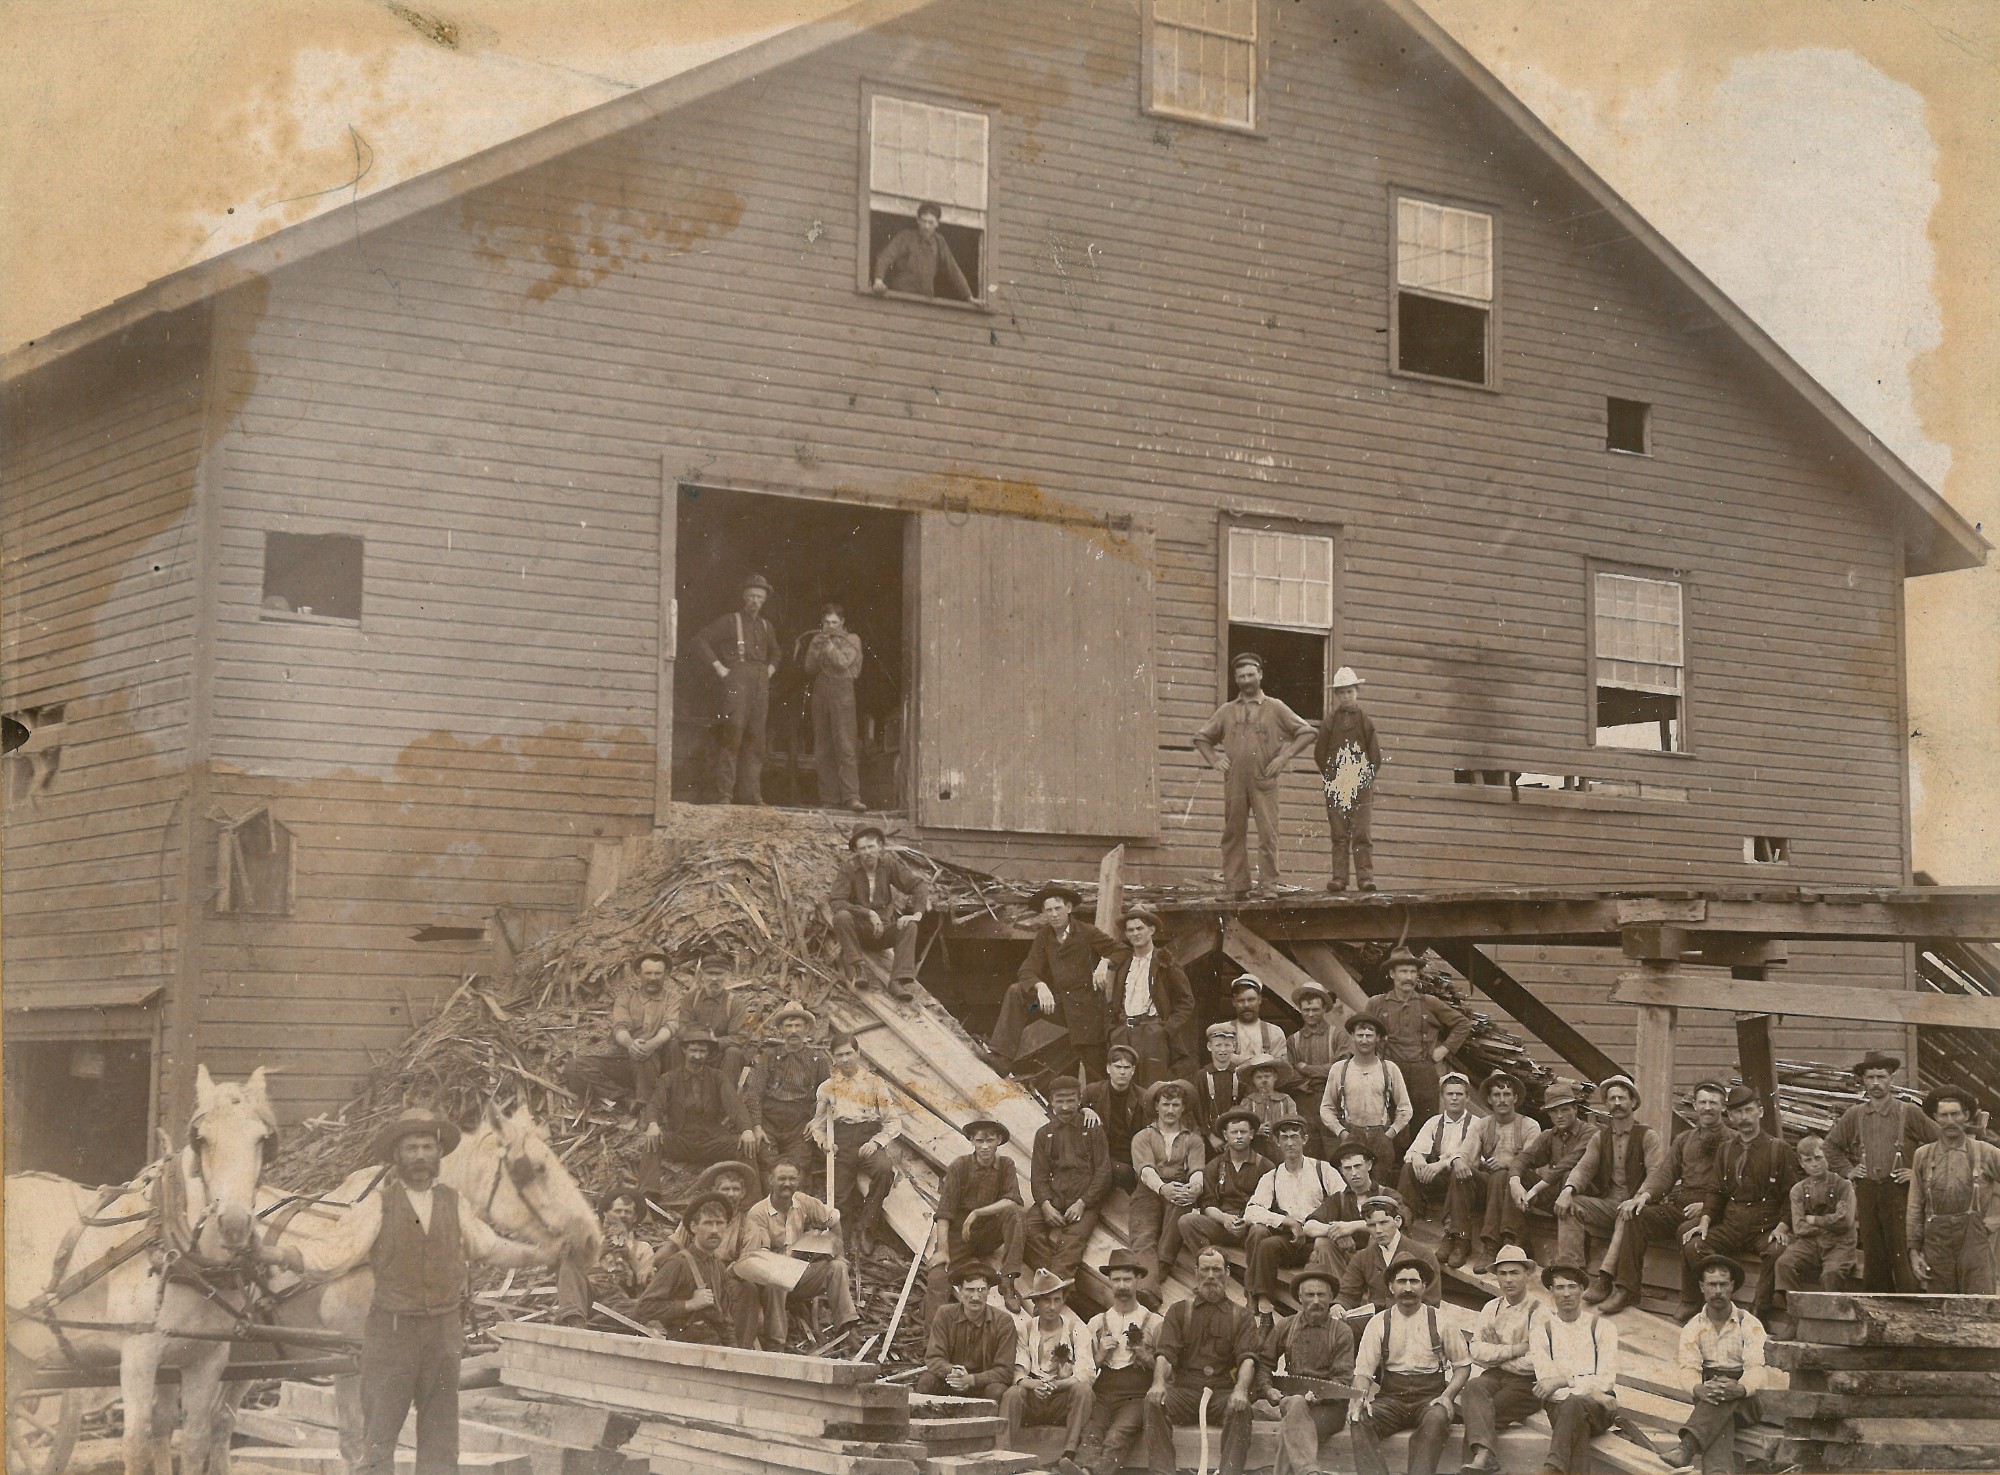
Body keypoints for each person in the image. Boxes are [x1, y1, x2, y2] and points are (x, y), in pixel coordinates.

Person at [258, 1108, 564, 1475]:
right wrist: (279, 1253)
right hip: (391, 1337)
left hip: (442, 1336)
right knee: (378, 1439)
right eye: (410, 1148)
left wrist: (540, 1254)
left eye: (426, 1147)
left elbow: (491, 1247)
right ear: (396, 1157)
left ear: (438, 1154)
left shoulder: (455, 1204)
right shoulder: (376, 1206)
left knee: (440, 1443)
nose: (420, 1155)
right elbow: (333, 1253)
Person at [1192, 651, 1317, 896]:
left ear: (1260, 674)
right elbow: (1202, 738)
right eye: (1241, 676)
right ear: (1236, 679)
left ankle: (1268, 886)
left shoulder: (1276, 707)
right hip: (1235, 780)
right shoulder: (1227, 711)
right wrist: (1215, 760)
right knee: (1233, 832)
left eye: (1251, 675)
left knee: (1267, 833)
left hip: (1264, 778)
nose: (1247, 680)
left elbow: (1307, 732)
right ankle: (1236, 885)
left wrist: (1283, 758)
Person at [1682, 1086, 1797, 1330]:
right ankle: (1722, 1307)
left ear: (1760, 1112)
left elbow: (1792, 1195)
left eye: (1749, 1111)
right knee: (1694, 1244)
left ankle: (1759, 1312)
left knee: (1777, 1250)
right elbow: (1715, 1191)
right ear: (1730, 1117)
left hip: (1764, 1226)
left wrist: (1783, 1226)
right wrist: (1704, 1222)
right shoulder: (1726, 1150)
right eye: (1738, 1113)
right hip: (1732, 1223)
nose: (1744, 1118)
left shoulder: (1778, 1149)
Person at [1824, 1049, 1936, 1293]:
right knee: (1875, 1260)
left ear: (1892, 1079)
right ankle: (1878, 1321)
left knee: (1904, 1259)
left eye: (1882, 1077)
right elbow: (1830, 1147)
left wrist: (1916, 1174)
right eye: (1871, 1077)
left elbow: (1939, 1145)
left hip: (1901, 1194)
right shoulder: (1855, 1115)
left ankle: (1911, 1318)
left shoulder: (1909, 1112)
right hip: (1868, 1193)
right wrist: (1849, 1170)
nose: (1876, 1083)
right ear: (1863, 1080)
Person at [1347, 1256, 1470, 1475]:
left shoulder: (1441, 1320)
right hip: (1391, 1400)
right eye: (1401, 1281)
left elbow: (1462, 1366)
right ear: (1391, 1287)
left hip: (1429, 1397)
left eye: (1414, 1281)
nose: (1407, 1288)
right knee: (1360, 1417)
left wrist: (1447, 1396)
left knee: (1437, 1418)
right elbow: (1363, 1372)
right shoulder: (1378, 1323)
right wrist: (1359, 1398)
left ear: (1424, 1286)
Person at [1555, 1074, 1665, 1315]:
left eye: (1622, 1098)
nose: (1616, 1102)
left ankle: (1605, 1279)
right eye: (1612, 1098)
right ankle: (1572, 1272)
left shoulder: (1648, 1136)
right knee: (1570, 1203)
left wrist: (1639, 1197)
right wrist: (1567, 1190)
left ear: (1633, 1102)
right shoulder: (1600, 1137)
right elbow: (1584, 1168)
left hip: (1638, 1204)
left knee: (1628, 1214)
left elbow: (1656, 1174)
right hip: (1609, 1204)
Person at [1143, 1247, 1260, 1475]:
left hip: (1222, 1395)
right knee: (1153, 1403)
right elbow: (1165, 1353)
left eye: (1217, 1269)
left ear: (1227, 1272)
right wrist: (1158, 1384)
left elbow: (1248, 1359)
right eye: (1205, 1269)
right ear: (1196, 1271)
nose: (1210, 1276)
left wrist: (1240, 1390)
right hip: (1185, 1392)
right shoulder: (1179, 1311)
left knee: (1241, 1409)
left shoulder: (1242, 1316)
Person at [990, 884, 1119, 1077]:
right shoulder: (1044, 936)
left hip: (1086, 1011)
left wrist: (1105, 962)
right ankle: (1001, 1059)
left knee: (1095, 1068)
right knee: (1016, 992)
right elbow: (1027, 968)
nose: (1054, 914)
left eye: (1057, 908)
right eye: (1048, 910)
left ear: (1069, 908)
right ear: (1043, 913)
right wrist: (1040, 985)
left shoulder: (1087, 932)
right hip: (1057, 1005)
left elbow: (1122, 950)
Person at [735, 1159, 858, 1349]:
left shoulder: (802, 1202)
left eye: (792, 1179)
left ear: (798, 1180)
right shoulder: (758, 1213)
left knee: (837, 1267)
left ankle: (846, 1327)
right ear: (770, 1180)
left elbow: (833, 1218)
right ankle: (776, 1342)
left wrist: (839, 1253)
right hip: (768, 1279)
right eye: (782, 1178)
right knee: (776, 1279)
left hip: (799, 1274)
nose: (787, 1184)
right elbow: (761, 1259)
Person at [1666, 1256, 1772, 1473]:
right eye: (1712, 1285)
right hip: (1709, 1398)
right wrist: (1698, 1388)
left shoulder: (1748, 1323)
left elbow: (1756, 1368)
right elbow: (1688, 1368)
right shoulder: (1693, 1327)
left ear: (1732, 1286)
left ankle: (1686, 1447)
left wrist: (1740, 1388)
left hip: (1746, 1403)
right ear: (1701, 1287)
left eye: (1723, 1284)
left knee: (1722, 1394)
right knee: (1719, 1400)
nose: (1718, 1291)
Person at [1642, 1080, 1732, 1317]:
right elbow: (1666, 1174)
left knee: (1686, 1231)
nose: (1707, 1108)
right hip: (1683, 1204)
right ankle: (1625, 1287)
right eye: (1702, 1102)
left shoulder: (1733, 1141)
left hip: (1717, 1209)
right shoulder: (1684, 1140)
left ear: (1723, 1107)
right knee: (1638, 1217)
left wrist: (1706, 1206)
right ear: (1694, 1105)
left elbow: (1736, 1186)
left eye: (1713, 1102)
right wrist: (1645, 1195)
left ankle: (1690, 1300)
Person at [689, 573, 780, 805]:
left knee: (757, 739)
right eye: (751, 596)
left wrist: (770, 670)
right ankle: (725, 794)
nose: (755, 601)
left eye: (759, 597)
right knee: (733, 735)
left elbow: (777, 653)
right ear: (744, 597)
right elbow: (700, 640)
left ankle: (752, 794)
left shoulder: (766, 626)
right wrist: (719, 667)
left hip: (760, 682)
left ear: (764, 600)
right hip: (737, 681)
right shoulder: (731, 621)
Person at [811, 1031, 903, 1255]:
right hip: (841, 1142)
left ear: (858, 1053)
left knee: (883, 1170)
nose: (844, 1059)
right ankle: (839, 1244)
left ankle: (866, 1227)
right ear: (833, 1058)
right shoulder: (827, 1087)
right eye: (839, 1055)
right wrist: (824, 1142)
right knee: (839, 1194)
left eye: (849, 1054)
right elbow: (818, 1124)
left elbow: (892, 1121)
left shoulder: (875, 1084)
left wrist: (876, 1142)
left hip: (867, 1139)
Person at [1457, 1244, 1545, 1475]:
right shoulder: (1491, 1307)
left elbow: (1535, 1362)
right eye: (1502, 1273)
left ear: (1527, 1275)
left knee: (1481, 1412)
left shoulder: (1539, 1312)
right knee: (1473, 1388)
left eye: (1514, 1273)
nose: (1508, 1280)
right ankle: (1484, 1460)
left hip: (1528, 1383)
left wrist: (1495, 1353)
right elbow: (1475, 1350)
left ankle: (1482, 1459)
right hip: (1496, 1376)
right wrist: (1515, 1349)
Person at [1243, 1117, 1342, 1319]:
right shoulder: (1272, 1176)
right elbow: (1251, 1211)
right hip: (1292, 1240)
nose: (1289, 1143)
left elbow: (1344, 1200)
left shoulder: (1322, 1170)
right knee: (1266, 1244)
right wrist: (1286, 1222)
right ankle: (1263, 1301)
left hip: (1320, 1239)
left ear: (1304, 1140)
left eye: (1294, 1137)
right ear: (1277, 1142)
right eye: (1284, 1138)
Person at [1368, 947, 1472, 1137]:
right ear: (1392, 974)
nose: (1408, 977)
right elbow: (1364, 1033)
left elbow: (1462, 1024)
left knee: (1424, 1128)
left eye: (1412, 971)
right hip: (1390, 1071)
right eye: (1403, 971)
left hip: (1423, 1072)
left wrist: (1444, 1049)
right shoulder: (1377, 1004)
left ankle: (1420, 1166)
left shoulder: (1429, 1003)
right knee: (1389, 1127)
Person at [1263, 1266, 1357, 1475]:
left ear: (1331, 1297)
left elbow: (1343, 1379)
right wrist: (1268, 1389)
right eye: (1310, 1295)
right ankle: (1310, 1472)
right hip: (1293, 1401)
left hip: (1329, 1409)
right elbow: (1264, 1362)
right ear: (1299, 1297)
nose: (1316, 1300)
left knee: (1293, 1426)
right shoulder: (1286, 1326)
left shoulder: (1342, 1332)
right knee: (1295, 1403)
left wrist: (1319, 1396)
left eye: (1321, 1294)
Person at [1907, 1087, 2000, 1294]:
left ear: (1966, 1116)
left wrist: (1996, 1221)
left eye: (1955, 1114)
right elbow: (1914, 1206)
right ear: (1935, 1118)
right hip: (1936, 1247)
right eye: (1944, 1115)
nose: (1950, 1121)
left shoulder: (1985, 1153)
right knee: (1941, 1312)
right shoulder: (1923, 1156)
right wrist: (1914, 1252)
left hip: (1974, 1246)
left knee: (1978, 1310)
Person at [1079, 1250, 1164, 1475]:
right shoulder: (1097, 1322)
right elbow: (1085, 1367)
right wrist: (1099, 1356)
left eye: (1127, 1279)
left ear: (1138, 1280)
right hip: (1104, 1392)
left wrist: (1147, 1357)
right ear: (1109, 1282)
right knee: (1091, 1431)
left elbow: (1169, 1368)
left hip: (1136, 1394)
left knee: (1119, 1434)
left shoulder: (1154, 1322)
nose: (1122, 1285)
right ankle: (1084, 1470)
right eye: (1117, 1280)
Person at [1532, 1261, 1621, 1474]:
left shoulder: (1602, 1327)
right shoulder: (1541, 1331)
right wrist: (1591, 1390)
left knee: (1572, 1406)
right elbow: (1548, 1388)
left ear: (1582, 1289)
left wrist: (1564, 1380)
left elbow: (1607, 1380)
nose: (1567, 1294)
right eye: (1560, 1288)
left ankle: (1552, 1468)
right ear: (1551, 1291)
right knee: (1573, 1412)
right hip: (1564, 1408)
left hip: (1600, 1410)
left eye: (1572, 1286)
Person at [1003, 1268, 1096, 1466]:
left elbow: (1086, 1372)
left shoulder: (1076, 1329)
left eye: (1057, 1300)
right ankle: (1002, 1454)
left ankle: (1069, 1455)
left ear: (1063, 1300)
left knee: (1084, 1390)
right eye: (1046, 1300)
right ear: (1036, 1302)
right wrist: (1034, 1386)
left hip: (1062, 1398)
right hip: (1035, 1399)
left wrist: (1059, 1385)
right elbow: (1018, 1372)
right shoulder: (1026, 1329)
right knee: (1012, 1393)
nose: (1052, 1307)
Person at [1452, 1070, 1541, 1273]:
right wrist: (1458, 1160)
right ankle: (1459, 1237)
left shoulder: (1529, 1126)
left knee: (1502, 1175)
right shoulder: (1482, 1126)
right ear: (1490, 1100)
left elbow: (1531, 1159)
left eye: (1507, 1094)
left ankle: (1492, 1244)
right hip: (1493, 1187)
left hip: (1523, 1187)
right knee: (1460, 1173)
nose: (1502, 1100)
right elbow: (1465, 1150)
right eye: (1497, 1095)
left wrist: (1507, 1162)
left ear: (1515, 1098)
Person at [641, 1026, 756, 1184]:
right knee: (651, 1142)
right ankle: (649, 1194)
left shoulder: (718, 1078)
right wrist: (653, 1124)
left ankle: (751, 1199)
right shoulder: (669, 1079)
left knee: (747, 1145)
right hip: (681, 1141)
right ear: (684, 1050)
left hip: (712, 1142)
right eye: (693, 1050)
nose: (697, 1056)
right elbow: (655, 1104)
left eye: (702, 1051)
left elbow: (735, 1106)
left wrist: (747, 1130)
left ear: (708, 1053)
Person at [827, 824, 930, 1000]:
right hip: (858, 930)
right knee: (841, 917)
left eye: (871, 847)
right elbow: (836, 901)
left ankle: (897, 981)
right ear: (856, 851)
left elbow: (918, 885)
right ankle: (858, 968)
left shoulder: (889, 864)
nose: (867, 852)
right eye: (862, 848)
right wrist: (868, 913)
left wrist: (916, 914)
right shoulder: (849, 869)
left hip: (883, 930)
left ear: (880, 847)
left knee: (910, 926)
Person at [634, 1191, 751, 1345]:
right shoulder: (678, 1264)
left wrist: (733, 1353)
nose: (715, 1230)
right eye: (708, 1223)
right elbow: (644, 1307)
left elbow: (724, 1319)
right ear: (694, 1227)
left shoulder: (718, 1266)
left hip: (712, 1345)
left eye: (720, 1223)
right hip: (683, 1347)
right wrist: (689, 1304)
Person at [1026, 1073, 1113, 1279]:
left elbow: (1104, 1172)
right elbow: (1038, 1177)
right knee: (1025, 1229)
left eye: (1070, 1101)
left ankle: (1050, 1287)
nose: (1065, 1107)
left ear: (1079, 1100)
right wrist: (1046, 1205)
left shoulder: (1093, 1130)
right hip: (1054, 1196)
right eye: (1060, 1101)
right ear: (1052, 1101)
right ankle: (1051, 1277)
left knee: (1072, 1241)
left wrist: (1083, 1203)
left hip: (1084, 1198)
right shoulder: (1043, 1133)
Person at [932, 1116, 1027, 1303]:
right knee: (937, 1277)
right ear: (971, 1141)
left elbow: (1013, 1201)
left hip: (987, 1233)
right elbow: (944, 1212)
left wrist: (977, 1213)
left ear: (998, 1141)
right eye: (979, 1141)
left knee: (1017, 1215)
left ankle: (1007, 1281)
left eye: (990, 1140)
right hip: (960, 1234)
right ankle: (935, 1328)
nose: (985, 1146)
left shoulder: (1006, 1165)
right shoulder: (960, 1166)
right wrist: (943, 1250)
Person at [564, 952, 676, 1110]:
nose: (652, 978)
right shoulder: (625, 999)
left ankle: (647, 1107)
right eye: (648, 973)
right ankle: (625, 1099)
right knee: (574, 1067)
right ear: (639, 974)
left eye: (657, 973)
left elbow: (671, 1026)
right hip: (625, 1058)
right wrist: (631, 1044)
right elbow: (620, 1027)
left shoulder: (673, 999)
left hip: (657, 1060)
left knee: (646, 1055)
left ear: (666, 974)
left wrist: (651, 1044)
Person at [1100, 907, 1194, 1084]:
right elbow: (1111, 1000)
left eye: (1139, 928)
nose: (1135, 933)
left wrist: (1166, 1030)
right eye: (1130, 930)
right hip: (1123, 1032)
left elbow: (1186, 1001)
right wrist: (1112, 1031)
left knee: (1153, 1085)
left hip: (1153, 1033)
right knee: (1123, 1083)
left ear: (1151, 930)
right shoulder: (1124, 963)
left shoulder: (1165, 961)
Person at [1319, 1012, 1411, 1185]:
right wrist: (1342, 1133)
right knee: (1353, 1186)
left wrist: (1390, 1133)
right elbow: (1326, 1108)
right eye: (1360, 1035)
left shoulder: (1389, 1069)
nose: (1364, 1040)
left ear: (1377, 1038)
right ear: (1352, 1037)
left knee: (1381, 1187)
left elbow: (1405, 1108)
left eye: (1369, 1036)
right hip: (1352, 1133)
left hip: (1381, 1136)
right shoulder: (1340, 1069)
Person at [745, 1001, 829, 1186]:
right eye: (788, 1026)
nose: (793, 1031)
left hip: (799, 1127)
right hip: (770, 1124)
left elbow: (828, 1098)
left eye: (798, 1026)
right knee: (767, 1164)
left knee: (799, 1167)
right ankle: (770, 1212)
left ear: (806, 1029)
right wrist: (757, 1126)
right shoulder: (769, 1056)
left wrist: (816, 1121)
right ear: (780, 1030)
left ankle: (799, 1212)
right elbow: (754, 1093)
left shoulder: (819, 1060)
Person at [1129, 1078, 1204, 1283]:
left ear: (1183, 1108)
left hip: (1178, 1187)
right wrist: (1162, 1188)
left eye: (1175, 1105)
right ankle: (1146, 1286)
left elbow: (1197, 1169)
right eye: (1165, 1104)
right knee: (1144, 1237)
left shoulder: (1193, 1139)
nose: (1170, 1110)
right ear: (1156, 1106)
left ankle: (1162, 1265)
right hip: (1149, 1190)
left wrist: (1196, 1187)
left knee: (1184, 1199)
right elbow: (1145, 1170)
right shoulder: (1143, 1136)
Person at [1772, 1135, 1860, 1310]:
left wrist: (1813, 1220)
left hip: (1840, 1244)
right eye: (1808, 1160)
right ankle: (1795, 1318)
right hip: (1809, 1244)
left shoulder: (1844, 1186)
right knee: (1784, 1264)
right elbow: (1798, 1227)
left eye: (1819, 1157)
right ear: (1801, 1163)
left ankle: (1829, 1322)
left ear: (1827, 1156)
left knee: (1831, 1274)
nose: (1814, 1163)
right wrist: (1832, 1220)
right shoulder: (1798, 1190)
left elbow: (1847, 1222)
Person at [1315, 666, 1382, 892]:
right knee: (1339, 834)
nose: (1346, 696)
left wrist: (1364, 779)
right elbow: (1320, 753)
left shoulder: (1365, 721)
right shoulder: (1329, 722)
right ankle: (1340, 879)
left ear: (1357, 692)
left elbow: (1375, 756)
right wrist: (1333, 777)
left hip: (1361, 784)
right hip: (1337, 784)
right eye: (1342, 692)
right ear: (1336, 695)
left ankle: (1365, 878)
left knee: (1362, 832)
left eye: (1350, 692)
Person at [1177, 1108, 1273, 1260]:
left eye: (1243, 1132)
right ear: (1225, 1135)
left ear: (1252, 1134)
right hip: (1221, 1225)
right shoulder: (1215, 1165)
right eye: (1234, 1132)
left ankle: (1253, 1274)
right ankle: (1209, 1262)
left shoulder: (1265, 1166)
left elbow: (1270, 1207)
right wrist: (1224, 1219)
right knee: (1187, 1221)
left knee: (1260, 1232)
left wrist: (1247, 1221)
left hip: (1250, 1227)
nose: (1239, 1136)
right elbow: (1207, 1203)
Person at [554, 1185, 656, 1327]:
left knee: (646, 1310)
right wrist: (599, 1253)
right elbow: (570, 1276)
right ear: (607, 1215)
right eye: (618, 1211)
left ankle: (598, 1321)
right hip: (589, 1298)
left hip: (620, 1302)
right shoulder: (590, 1243)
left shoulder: (643, 1248)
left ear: (635, 1218)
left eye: (627, 1212)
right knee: (569, 1263)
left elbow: (649, 1283)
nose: (622, 1215)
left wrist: (629, 1255)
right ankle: (577, 1324)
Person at [1396, 1071, 1475, 1247]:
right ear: (1442, 1097)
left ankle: (1452, 1232)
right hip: (1439, 1183)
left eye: (1459, 1094)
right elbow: (1414, 1151)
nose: (1454, 1098)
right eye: (1449, 1094)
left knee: (1458, 1170)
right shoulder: (1434, 1122)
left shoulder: (1476, 1124)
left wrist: (1441, 1164)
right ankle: (1404, 1221)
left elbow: (1470, 1158)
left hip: (1464, 1183)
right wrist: (1418, 1159)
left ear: (1467, 1098)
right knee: (1408, 1168)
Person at [1509, 1081, 1592, 1245]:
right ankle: (1518, 1240)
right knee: (1515, 1175)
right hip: (1556, 1195)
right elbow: (1523, 1158)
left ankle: (1577, 1244)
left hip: (1584, 1197)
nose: (1559, 1116)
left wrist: (1535, 1189)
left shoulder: (1589, 1132)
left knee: (1569, 1175)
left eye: (1565, 1109)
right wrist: (1515, 1182)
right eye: (1554, 1111)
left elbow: (1569, 1163)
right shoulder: (1549, 1135)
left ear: (1575, 1109)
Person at [920, 1263, 1017, 1399]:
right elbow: (933, 1358)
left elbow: (1005, 1371)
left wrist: (972, 1380)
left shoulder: (1003, 1321)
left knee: (997, 1390)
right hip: (950, 1381)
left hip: (982, 1387)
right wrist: (953, 1371)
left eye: (981, 1290)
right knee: (927, 1381)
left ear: (989, 1290)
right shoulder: (944, 1314)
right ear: (960, 1290)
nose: (976, 1297)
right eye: (970, 1290)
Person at [802, 602, 866, 811]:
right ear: (822, 622)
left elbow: (842, 663)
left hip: (843, 691)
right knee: (823, 747)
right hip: (821, 690)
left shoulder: (852, 639)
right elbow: (809, 668)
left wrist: (828, 647)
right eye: (827, 622)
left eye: (835, 622)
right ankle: (828, 799)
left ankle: (851, 797)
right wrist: (815, 647)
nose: (830, 626)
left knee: (846, 746)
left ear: (842, 622)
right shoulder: (818, 639)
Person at [1338, 1195, 1441, 1317]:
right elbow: (1347, 1294)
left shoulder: (1423, 1255)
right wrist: (1338, 1306)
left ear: (1398, 1221)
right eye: (1371, 1225)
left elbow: (1431, 1302)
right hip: (1376, 1322)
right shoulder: (1362, 1257)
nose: (1378, 1230)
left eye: (1383, 1223)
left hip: (1413, 1320)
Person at [1302, 1139, 1386, 1286]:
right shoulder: (1338, 1199)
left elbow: (1398, 1222)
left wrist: (1352, 1226)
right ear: (1341, 1171)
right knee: (1322, 1242)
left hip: (1381, 1264)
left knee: (1376, 1239)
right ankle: (1341, 1294)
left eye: (1358, 1166)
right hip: (1348, 1263)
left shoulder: (1386, 1194)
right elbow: (1308, 1226)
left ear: (1369, 1165)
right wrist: (1336, 1231)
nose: (1354, 1173)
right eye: (1347, 1168)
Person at [872, 200, 974, 300]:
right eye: (923, 221)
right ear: (918, 220)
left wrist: (968, 296)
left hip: (925, 301)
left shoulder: (939, 241)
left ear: (937, 223)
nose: (926, 226)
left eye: (930, 222)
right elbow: (884, 257)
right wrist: (878, 280)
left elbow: (953, 269)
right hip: (901, 298)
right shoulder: (906, 236)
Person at [668, 955, 749, 1078]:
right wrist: (699, 1037)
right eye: (710, 974)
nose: (714, 979)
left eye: (719, 974)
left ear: (726, 975)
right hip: (693, 1048)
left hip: (718, 1054)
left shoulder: (735, 1003)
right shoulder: (691, 999)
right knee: (674, 1046)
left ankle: (726, 1094)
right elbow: (681, 1027)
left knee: (734, 1053)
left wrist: (716, 1041)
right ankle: (678, 1089)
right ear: (702, 975)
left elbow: (740, 1037)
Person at [1286, 982, 1341, 1157]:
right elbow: (1289, 1075)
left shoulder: (1337, 1036)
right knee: (1309, 1155)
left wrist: (1305, 1068)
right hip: (1304, 1102)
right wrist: (1316, 1075)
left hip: (1333, 1100)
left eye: (1315, 1010)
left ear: (1324, 1008)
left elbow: (1338, 1070)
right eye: (1306, 1010)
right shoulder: (1293, 1040)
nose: (1310, 1014)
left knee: (1335, 1154)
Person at [1085, 1044, 1148, 1194]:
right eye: (1117, 1067)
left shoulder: (1143, 1096)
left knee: (1126, 1173)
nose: (1122, 1072)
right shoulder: (1093, 1092)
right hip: (1101, 1154)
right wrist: (1085, 1109)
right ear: (1108, 1068)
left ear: (1133, 1071)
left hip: (1130, 1155)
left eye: (1126, 1068)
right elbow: (1074, 1112)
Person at [1221, 975, 1290, 1066]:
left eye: (1251, 1000)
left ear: (1259, 999)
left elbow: (1280, 1066)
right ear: (1234, 1002)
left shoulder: (1274, 1032)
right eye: (1241, 1001)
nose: (1246, 1005)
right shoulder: (1223, 1031)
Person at [1195, 1024, 1245, 1149]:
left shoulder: (1241, 1074)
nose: (1223, 1050)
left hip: (1238, 1135)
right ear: (1209, 1047)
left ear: (1234, 1047)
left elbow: (1246, 1105)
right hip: (1210, 1139)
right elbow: (1197, 1110)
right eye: (1218, 1045)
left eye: (1227, 1045)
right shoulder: (1202, 1076)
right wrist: (1210, 1137)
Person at [1236, 1054, 1298, 1146]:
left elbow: (1294, 1124)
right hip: (1255, 1147)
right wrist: (1255, 1130)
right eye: (1259, 1077)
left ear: (1275, 1077)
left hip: (1280, 1148)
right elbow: (1240, 1127)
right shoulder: (1248, 1102)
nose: (1263, 1080)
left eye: (1267, 1076)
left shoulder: (1286, 1100)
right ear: (1253, 1080)